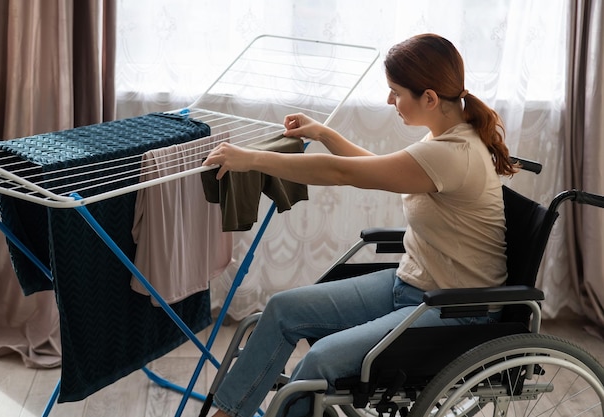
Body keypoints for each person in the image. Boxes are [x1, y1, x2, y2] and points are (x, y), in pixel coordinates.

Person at [202, 33, 518, 417]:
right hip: (414, 285)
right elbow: (375, 169)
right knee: (282, 309)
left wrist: (252, 159)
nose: (390, 102)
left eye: (396, 92)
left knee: (319, 361)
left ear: (430, 98)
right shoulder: (445, 142)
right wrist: (324, 134)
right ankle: (226, 414)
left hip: (454, 309)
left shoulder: (453, 153)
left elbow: (343, 173)